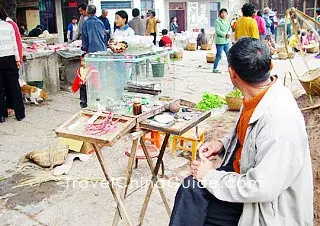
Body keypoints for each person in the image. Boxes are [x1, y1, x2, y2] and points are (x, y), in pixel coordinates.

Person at [169, 37, 313, 226]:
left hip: (268, 208)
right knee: (190, 191)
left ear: (232, 73)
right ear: (270, 65)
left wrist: (210, 175)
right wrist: (222, 143)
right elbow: (250, 132)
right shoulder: (259, 95)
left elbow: (262, 187)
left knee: (192, 204)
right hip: (244, 174)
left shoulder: (278, 124)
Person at [0, 7, 25, 123]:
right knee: (14, 86)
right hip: (10, 58)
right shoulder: (8, 26)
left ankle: (1, 115)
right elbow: (15, 43)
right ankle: (20, 113)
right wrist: (17, 59)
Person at [212, 9, 231, 73]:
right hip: (220, 41)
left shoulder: (227, 21)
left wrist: (229, 33)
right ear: (220, 14)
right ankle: (215, 68)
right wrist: (225, 34)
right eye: (222, 13)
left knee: (228, 55)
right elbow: (217, 31)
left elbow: (230, 29)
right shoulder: (217, 21)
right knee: (219, 55)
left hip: (227, 41)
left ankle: (230, 69)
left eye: (225, 13)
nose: (224, 14)